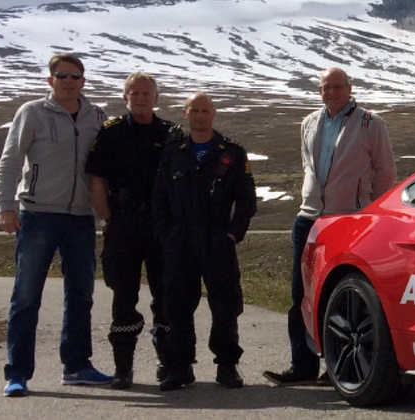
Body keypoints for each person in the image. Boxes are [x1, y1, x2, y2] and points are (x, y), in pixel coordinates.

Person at [263, 67, 397, 385]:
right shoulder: (309, 123)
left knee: (341, 293)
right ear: (319, 91)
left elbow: (386, 172)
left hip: (348, 219)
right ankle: (302, 364)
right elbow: (308, 165)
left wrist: (368, 212)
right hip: (309, 218)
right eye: (326, 88)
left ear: (350, 89)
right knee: (301, 295)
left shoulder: (370, 123)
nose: (332, 93)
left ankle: (336, 367)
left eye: (337, 87)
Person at [0, 53, 112, 397]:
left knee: (81, 296)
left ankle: (76, 366)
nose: (69, 81)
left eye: (75, 76)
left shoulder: (97, 116)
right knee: (27, 296)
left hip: (80, 218)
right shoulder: (32, 112)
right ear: (50, 81)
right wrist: (5, 207)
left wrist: (107, 213)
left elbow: (104, 168)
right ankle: (18, 373)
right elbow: (10, 160)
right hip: (38, 214)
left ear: (83, 81)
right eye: (62, 76)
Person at [152, 92, 257, 391]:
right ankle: (180, 366)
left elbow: (246, 201)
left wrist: (233, 233)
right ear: (185, 114)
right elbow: (159, 196)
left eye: (205, 110)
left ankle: (227, 365)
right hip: (180, 241)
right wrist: (165, 234)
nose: (200, 116)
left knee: (225, 304)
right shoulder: (173, 153)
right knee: (177, 305)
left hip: (217, 239)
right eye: (194, 111)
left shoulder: (232, 153)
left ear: (213, 113)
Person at [85, 72, 174, 389]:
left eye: (146, 93)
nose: (140, 98)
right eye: (134, 93)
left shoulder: (170, 133)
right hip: (124, 223)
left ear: (156, 98)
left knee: (165, 296)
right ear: (126, 97)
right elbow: (97, 179)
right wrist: (108, 218)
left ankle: (169, 365)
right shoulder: (111, 133)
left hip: (160, 227)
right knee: (124, 296)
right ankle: (124, 369)